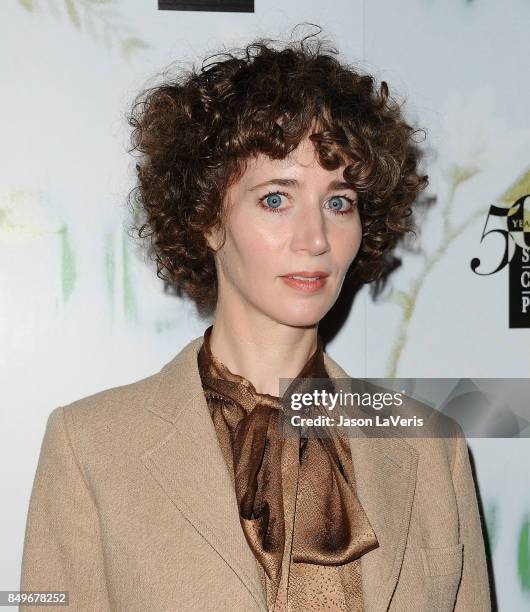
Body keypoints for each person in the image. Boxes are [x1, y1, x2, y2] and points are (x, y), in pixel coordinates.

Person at [20, 27, 491, 611]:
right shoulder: (89, 447)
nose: (316, 238)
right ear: (207, 220)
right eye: (276, 198)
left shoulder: (430, 448)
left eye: (338, 202)